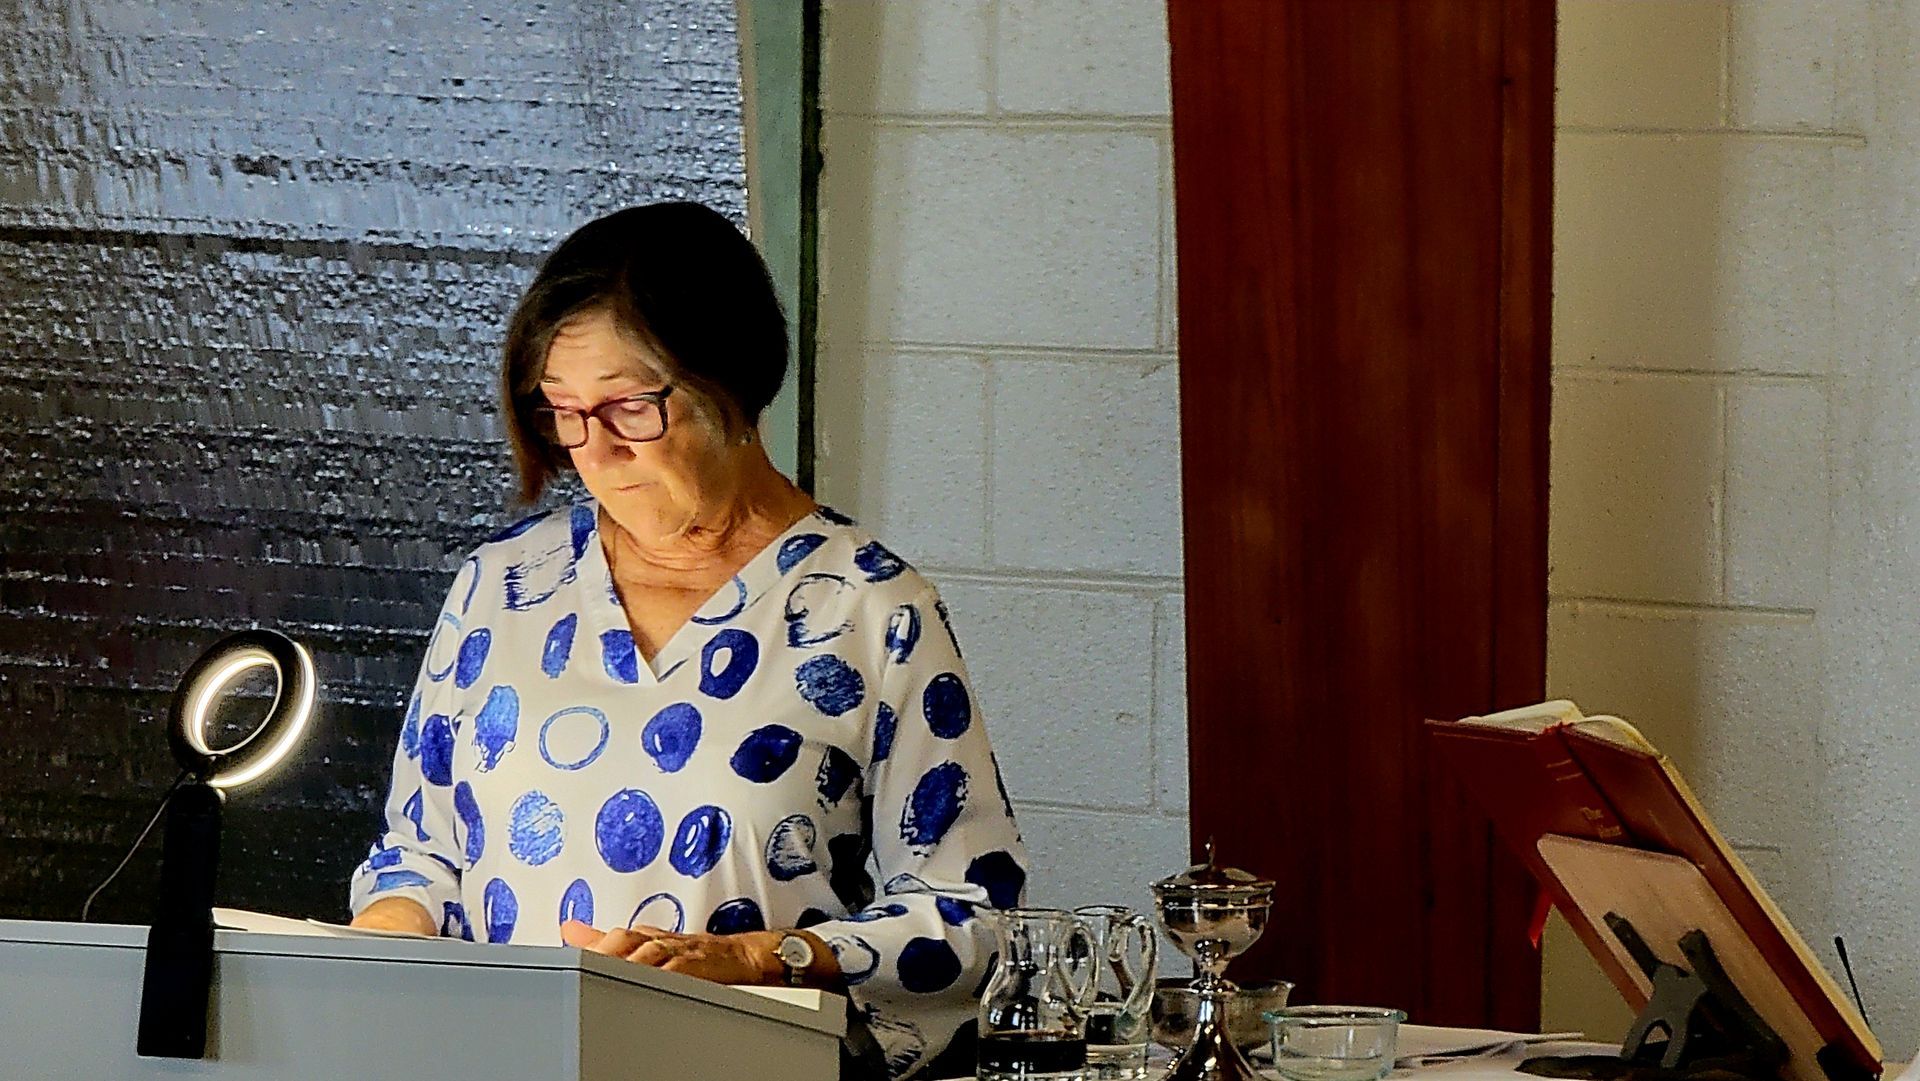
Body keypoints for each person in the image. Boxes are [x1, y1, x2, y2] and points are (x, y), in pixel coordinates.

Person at [347, 201, 1029, 1078]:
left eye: (630, 407)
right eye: (563, 411)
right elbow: (420, 853)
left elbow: (970, 915)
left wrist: (761, 957)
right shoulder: (501, 587)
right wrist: (374, 955)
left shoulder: (869, 609)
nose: (596, 451)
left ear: (731, 380)